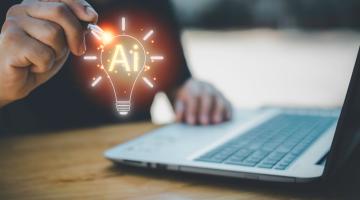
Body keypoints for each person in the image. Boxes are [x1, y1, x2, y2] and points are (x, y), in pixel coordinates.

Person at [0, 0, 232, 134]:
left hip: (133, 166)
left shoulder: (153, 5)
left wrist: (194, 92)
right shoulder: (15, 16)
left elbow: (176, 83)